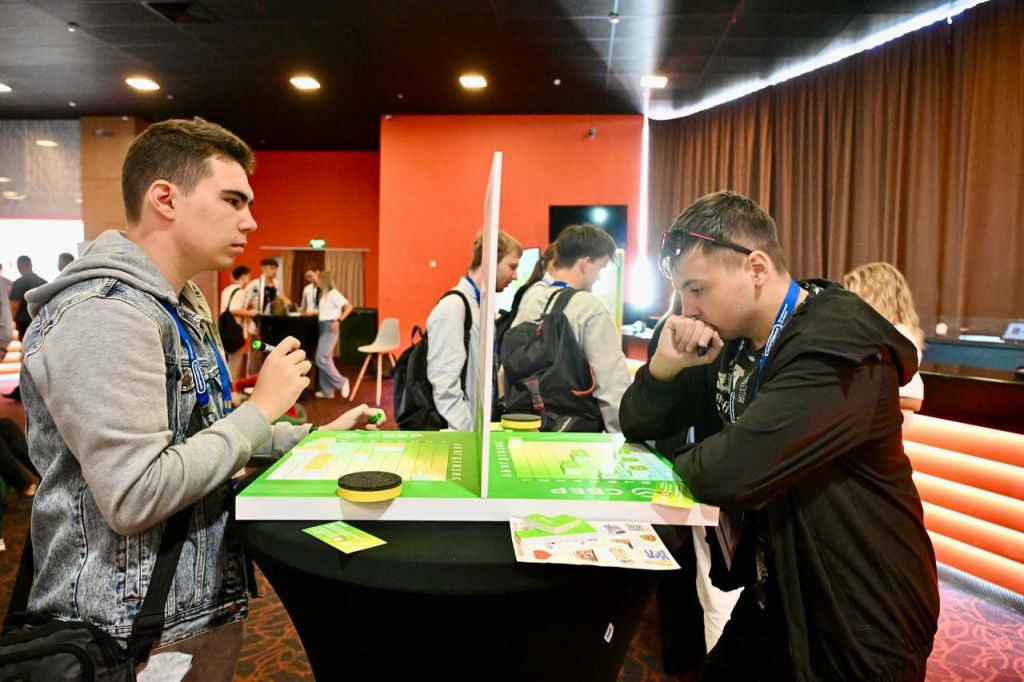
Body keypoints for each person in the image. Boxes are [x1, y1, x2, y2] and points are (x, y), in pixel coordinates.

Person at [19, 117, 385, 681]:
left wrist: (310, 438)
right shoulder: (104, 314)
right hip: (122, 629)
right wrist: (262, 409)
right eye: (233, 199)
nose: (251, 219)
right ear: (164, 198)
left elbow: (202, 434)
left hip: (186, 612)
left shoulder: (180, 303)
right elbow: (137, 493)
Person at [619, 190, 939, 681]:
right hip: (783, 591)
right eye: (684, 291)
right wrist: (663, 366)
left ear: (756, 268)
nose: (688, 307)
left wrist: (681, 460)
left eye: (698, 288)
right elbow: (636, 423)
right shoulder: (727, 343)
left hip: (863, 610)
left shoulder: (835, 348)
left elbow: (726, 473)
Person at [508, 224, 630, 432]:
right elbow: (611, 387)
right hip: (573, 436)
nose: (599, 277)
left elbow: (508, 368)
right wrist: (623, 438)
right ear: (585, 263)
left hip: (524, 427)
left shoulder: (531, 298)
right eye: (600, 267)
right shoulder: (590, 308)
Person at [426, 231, 522, 431]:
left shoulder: (478, 307)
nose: (515, 276)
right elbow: (444, 385)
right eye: (512, 267)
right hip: (460, 434)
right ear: (489, 260)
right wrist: (467, 433)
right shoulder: (453, 307)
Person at [843, 262, 926, 430]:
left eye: (855, 295)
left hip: (884, 432)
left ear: (875, 296)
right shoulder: (882, 334)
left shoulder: (898, 337)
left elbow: (913, 399)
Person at [6, 256, 48, 402]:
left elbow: (13, 306)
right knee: (40, 356)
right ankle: (40, 390)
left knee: (26, 357)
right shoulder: (43, 282)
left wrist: (7, 322)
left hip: (25, 326)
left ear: (20, 266)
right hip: (42, 324)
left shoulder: (19, 283)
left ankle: (22, 391)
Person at [312, 271, 354, 399]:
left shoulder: (333, 294)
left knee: (321, 358)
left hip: (330, 326)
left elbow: (349, 307)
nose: (316, 281)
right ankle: (327, 391)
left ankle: (341, 381)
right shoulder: (324, 295)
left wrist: (338, 320)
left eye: (318, 279)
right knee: (326, 358)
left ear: (324, 281)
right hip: (323, 326)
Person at [219, 264, 253, 381]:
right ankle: (232, 391)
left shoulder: (226, 290)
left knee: (225, 360)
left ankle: (225, 388)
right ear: (243, 277)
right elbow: (234, 310)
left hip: (224, 328)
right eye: (248, 276)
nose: (249, 279)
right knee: (234, 363)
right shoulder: (240, 292)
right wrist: (251, 313)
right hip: (235, 329)